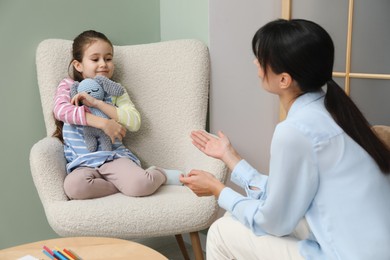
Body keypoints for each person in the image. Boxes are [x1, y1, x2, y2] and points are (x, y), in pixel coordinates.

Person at [180, 19, 390, 260]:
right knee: (235, 216)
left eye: (261, 58)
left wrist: (218, 190)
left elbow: (275, 221)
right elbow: (285, 197)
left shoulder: (295, 130)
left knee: (221, 230)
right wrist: (231, 157)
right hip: (365, 244)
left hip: (346, 253)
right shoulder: (334, 112)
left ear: (284, 80)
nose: (255, 62)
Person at [53, 30, 182, 200]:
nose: (103, 64)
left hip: (113, 157)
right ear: (78, 65)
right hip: (82, 163)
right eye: (95, 59)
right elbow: (61, 110)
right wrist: (103, 123)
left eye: (108, 58)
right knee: (74, 188)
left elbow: (135, 122)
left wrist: (99, 104)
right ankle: (122, 184)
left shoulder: (116, 91)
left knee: (140, 185)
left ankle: (159, 174)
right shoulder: (69, 86)